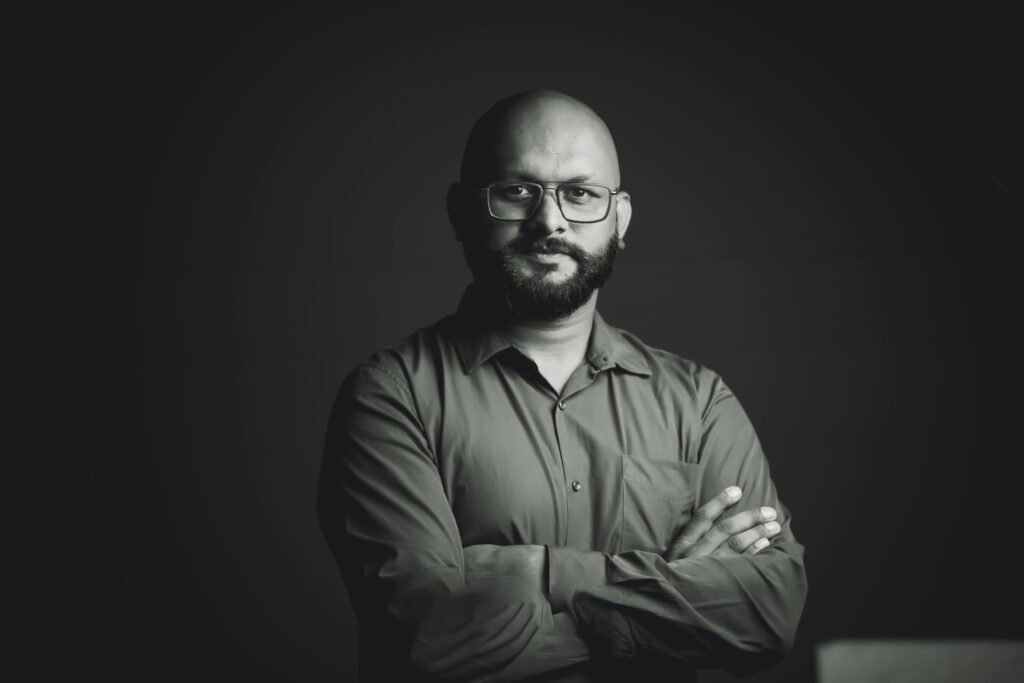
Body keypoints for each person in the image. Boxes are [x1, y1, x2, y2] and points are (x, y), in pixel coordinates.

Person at [317, 89, 808, 682]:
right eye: (517, 191)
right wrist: (670, 589)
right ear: (461, 212)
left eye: (580, 193)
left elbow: (769, 612)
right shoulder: (392, 396)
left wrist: (543, 574)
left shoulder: (698, 402)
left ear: (619, 218)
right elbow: (433, 650)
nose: (550, 221)